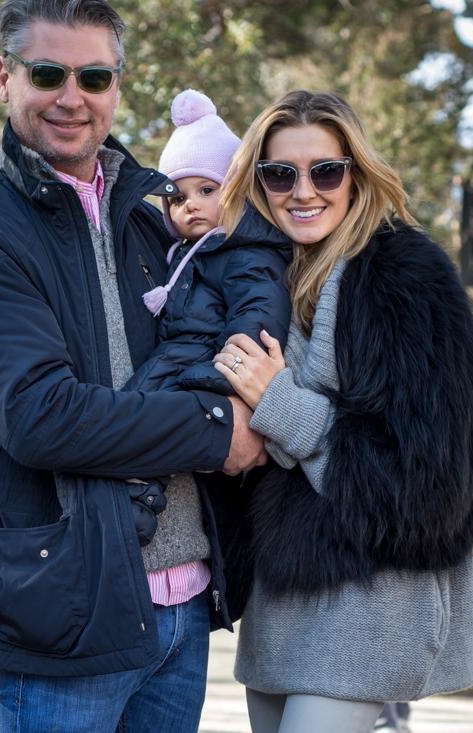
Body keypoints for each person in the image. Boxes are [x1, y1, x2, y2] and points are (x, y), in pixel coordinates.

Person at [0, 2, 267, 732]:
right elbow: (42, 416)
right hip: (67, 612)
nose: (71, 96)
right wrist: (222, 430)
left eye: (93, 75)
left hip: (182, 612)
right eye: (48, 73)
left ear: (117, 85)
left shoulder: (151, 218)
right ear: (4, 77)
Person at [213, 90, 473, 733]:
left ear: (356, 174)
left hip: (375, 599)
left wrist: (281, 406)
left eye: (326, 171)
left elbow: (432, 486)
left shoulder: (404, 277)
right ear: (258, 182)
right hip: (282, 601)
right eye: (280, 173)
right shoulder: (265, 277)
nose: (303, 190)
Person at [123, 88, 291, 540]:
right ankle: (135, 493)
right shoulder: (188, 253)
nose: (190, 204)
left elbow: (259, 309)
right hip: (180, 358)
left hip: (206, 366)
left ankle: (138, 503)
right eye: (176, 197)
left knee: (148, 418)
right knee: (133, 407)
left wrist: (221, 375)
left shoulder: (244, 251)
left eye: (207, 190)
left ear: (235, 191)